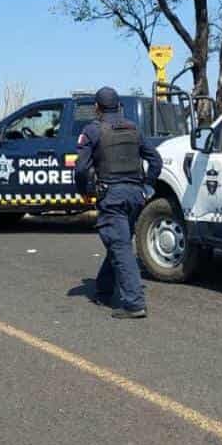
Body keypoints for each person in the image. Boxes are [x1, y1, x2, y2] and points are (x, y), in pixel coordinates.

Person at [75, 86, 162, 319]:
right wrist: (148, 187)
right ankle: (103, 290)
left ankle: (134, 303)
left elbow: (81, 168)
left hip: (112, 196)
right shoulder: (134, 128)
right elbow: (155, 160)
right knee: (119, 240)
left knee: (120, 245)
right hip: (135, 196)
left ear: (97, 108)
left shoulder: (92, 130)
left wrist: (84, 191)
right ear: (119, 106)